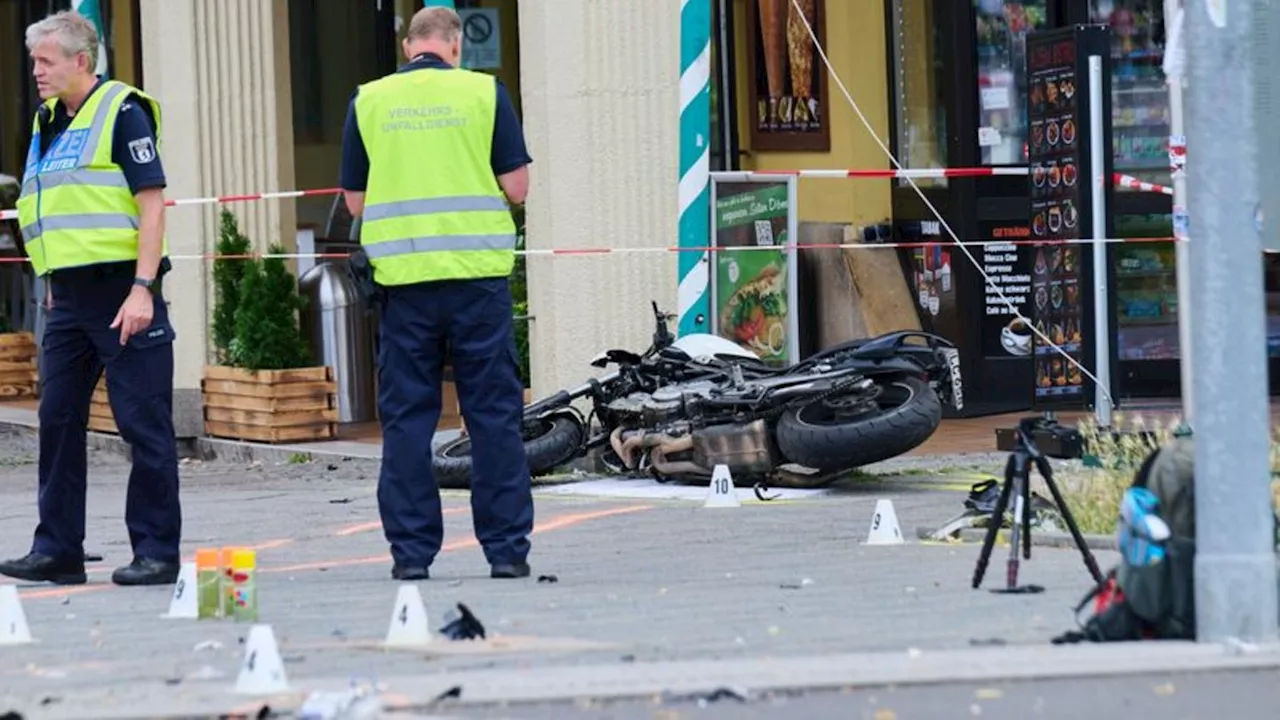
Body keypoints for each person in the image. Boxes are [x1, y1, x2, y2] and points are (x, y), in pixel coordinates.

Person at [339, 6, 535, 581]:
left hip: (404, 288)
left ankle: (411, 556)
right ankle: (506, 553)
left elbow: (354, 202)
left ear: (408, 46)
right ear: (455, 46)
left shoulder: (369, 100)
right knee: (493, 418)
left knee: (406, 421)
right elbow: (517, 187)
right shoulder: (484, 93)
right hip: (477, 283)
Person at [0, 10, 181, 587]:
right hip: (69, 299)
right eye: (33, 61)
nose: (36, 71)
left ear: (81, 60)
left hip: (122, 290)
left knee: (141, 423)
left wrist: (143, 289)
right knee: (56, 420)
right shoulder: (47, 120)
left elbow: (151, 203)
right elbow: (50, 208)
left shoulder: (121, 112)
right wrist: (53, 284)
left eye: (45, 61)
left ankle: (155, 552)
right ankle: (57, 549)